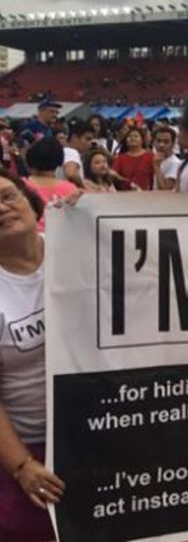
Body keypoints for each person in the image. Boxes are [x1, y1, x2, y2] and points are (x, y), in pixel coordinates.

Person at [0, 167, 66, 542]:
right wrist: (22, 465)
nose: (2, 208)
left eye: (9, 196)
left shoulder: (74, 244)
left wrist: (98, 216)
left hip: (97, 432)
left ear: (30, 201)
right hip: (28, 444)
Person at [21, 137, 78, 232]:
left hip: (29, 238)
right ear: (60, 161)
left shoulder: (20, 185)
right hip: (60, 238)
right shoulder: (70, 188)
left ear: (30, 159)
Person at [111, 126, 155, 190]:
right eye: (129, 137)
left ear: (142, 140)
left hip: (146, 194)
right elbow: (114, 174)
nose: (132, 138)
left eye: (136, 136)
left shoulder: (150, 156)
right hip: (125, 194)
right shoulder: (120, 158)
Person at [59, 118, 95, 188]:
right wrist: (85, 186)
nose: (90, 143)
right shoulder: (71, 152)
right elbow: (71, 173)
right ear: (74, 137)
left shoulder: (64, 151)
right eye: (88, 139)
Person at [152, 125, 182, 191]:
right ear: (154, 142)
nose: (161, 145)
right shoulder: (156, 159)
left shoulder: (175, 163)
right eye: (159, 141)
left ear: (173, 144)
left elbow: (165, 189)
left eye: (166, 142)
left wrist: (157, 167)